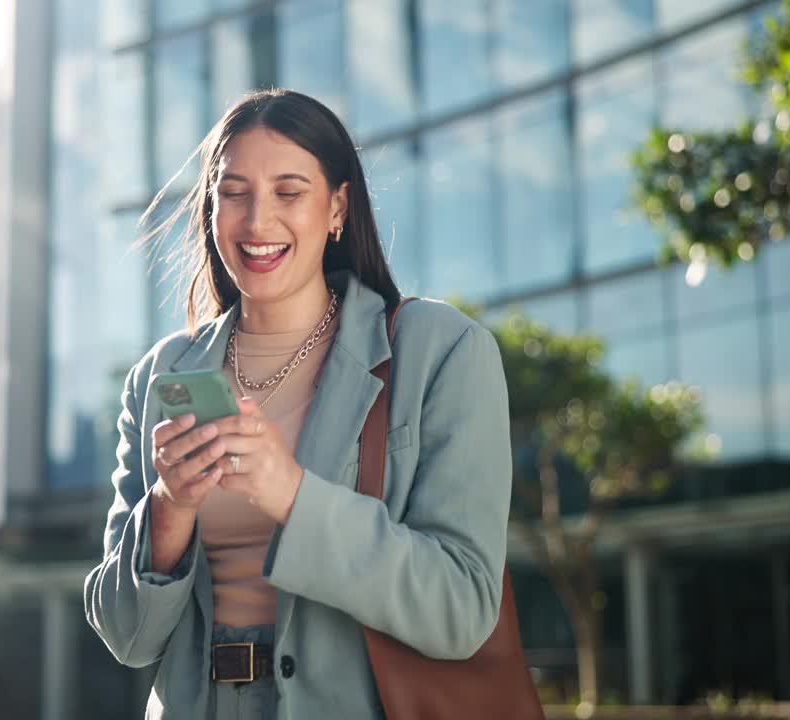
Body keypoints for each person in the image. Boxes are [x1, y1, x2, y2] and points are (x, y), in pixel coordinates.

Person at [83, 89, 512, 719]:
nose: (258, 222)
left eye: (289, 192)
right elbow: (126, 636)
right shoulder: (162, 376)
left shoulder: (438, 351)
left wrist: (290, 493)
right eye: (233, 193)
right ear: (209, 208)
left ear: (337, 206)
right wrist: (170, 509)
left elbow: (463, 607)